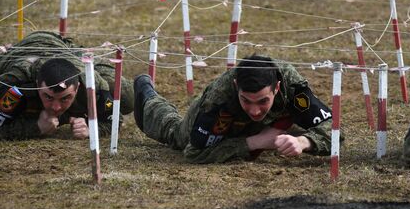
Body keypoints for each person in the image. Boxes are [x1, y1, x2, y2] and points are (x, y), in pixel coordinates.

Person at [133, 55, 339, 163]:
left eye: (262, 101)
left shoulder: (291, 86)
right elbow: (194, 154)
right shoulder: (218, 99)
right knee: (176, 135)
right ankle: (148, 96)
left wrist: (304, 142)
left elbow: (334, 130)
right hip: (225, 121)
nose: (255, 110)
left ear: (276, 88)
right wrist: (255, 142)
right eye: (247, 101)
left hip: (268, 123)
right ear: (235, 87)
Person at [0, 31, 134, 140]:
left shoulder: (92, 84)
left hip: (62, 48)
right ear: (36, 86)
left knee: (127, 99)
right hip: (24, 50)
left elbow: (114, 120)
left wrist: (91, 129)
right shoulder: (16, 86)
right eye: (48, 97)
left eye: (65, 98)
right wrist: (35, 127)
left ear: (78, 88)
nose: (55, 107)